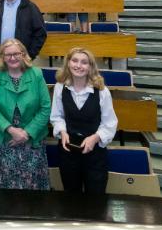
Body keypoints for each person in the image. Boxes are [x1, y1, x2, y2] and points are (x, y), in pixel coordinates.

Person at [50, 47, 118, 194]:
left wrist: (95, 138)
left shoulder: (101, 91)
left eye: (84, 62)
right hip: (68, 151)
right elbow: (57, 116)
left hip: (95, 154)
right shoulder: (60, 87)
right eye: (74, 60)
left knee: (95, 196)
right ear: (68, 63)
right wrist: (62, 131)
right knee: (71, 195)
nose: (78, 66)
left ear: (91, 66)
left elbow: (109, 123)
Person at [0, 39, 51, 190]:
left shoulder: (36, 74)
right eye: (8, 55)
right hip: (5, 140)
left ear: (23, 55)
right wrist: (11, 130)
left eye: (16, 54)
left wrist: (26, 133)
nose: (12, 58)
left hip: (32, 141)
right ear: (2, 57)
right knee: (5, 188)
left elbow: (45, 108)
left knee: (32, 189)